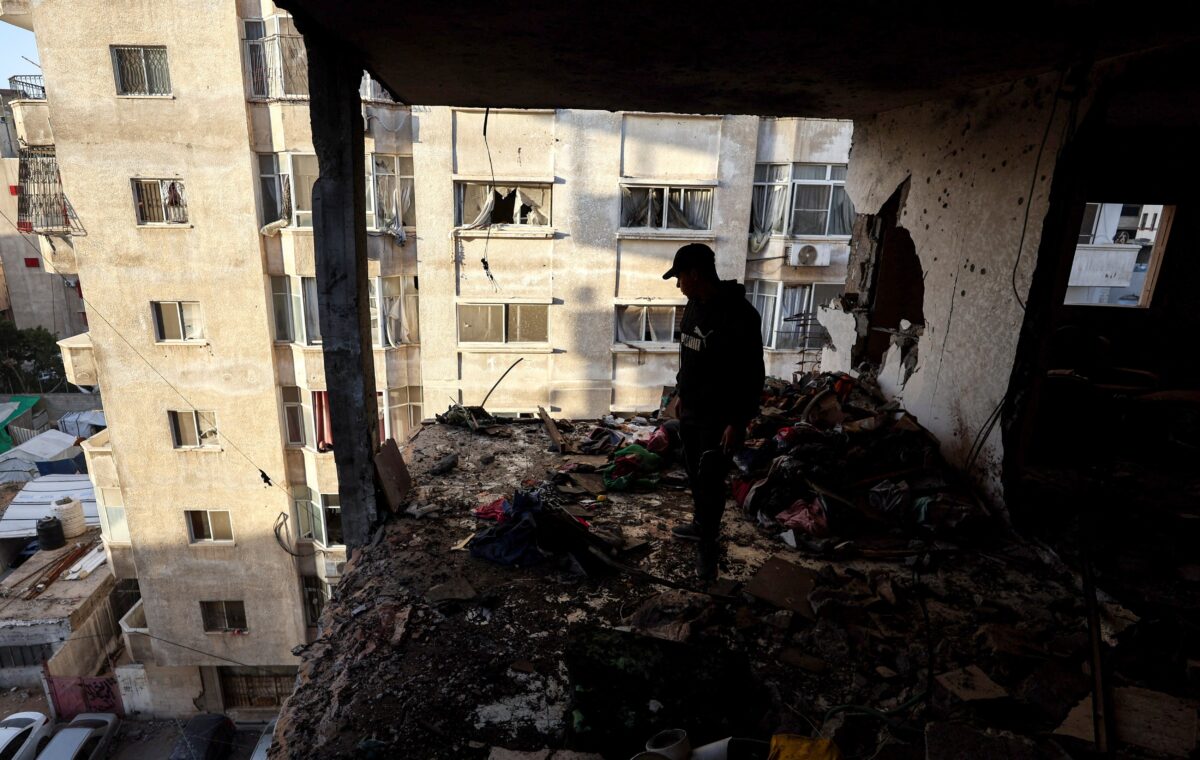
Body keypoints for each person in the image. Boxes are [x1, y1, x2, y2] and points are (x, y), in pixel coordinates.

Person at [662, 243, 764, 580]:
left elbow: (752, 374)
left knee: (710, 481)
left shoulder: (741, 315)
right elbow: (688, 355)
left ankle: (708, 549)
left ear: (695, 274)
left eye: (680, 277)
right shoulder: (694, 305)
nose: (678, 285)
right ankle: (699, 525)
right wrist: (680, 392)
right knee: (694, 474)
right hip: (692, 411)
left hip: (719, 418)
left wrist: (738, 422)